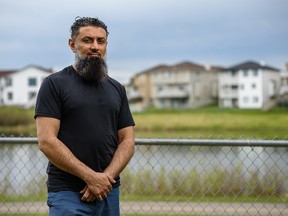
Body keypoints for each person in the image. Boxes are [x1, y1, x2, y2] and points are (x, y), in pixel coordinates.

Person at [34, 17, 135, 216]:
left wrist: (104, 179)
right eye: (87, 40)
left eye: (101, 41)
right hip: (68, 193)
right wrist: (90, 177)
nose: (95, 47)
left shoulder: (117, 89)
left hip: (108, 191)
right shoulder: (54, 84)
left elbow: (127, 141)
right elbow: (46, 140)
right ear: (72, 45)